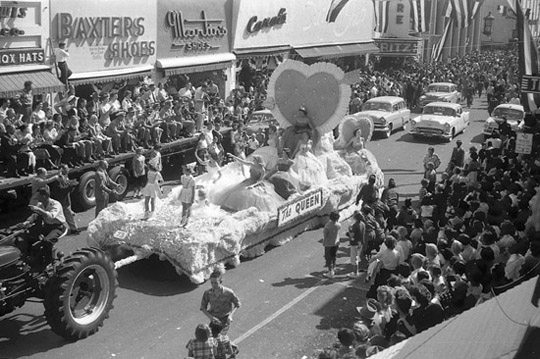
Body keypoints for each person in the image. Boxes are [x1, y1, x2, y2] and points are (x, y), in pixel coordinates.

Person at [16, 186, 67, 265]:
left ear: (44, 196)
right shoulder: (41, 204)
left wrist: (39, 210)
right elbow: (35, 215)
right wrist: (27, 222)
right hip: (46, 226)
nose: (36, 197)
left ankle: (48, 262)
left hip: (57, 228)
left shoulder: (56, 204)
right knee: (28, 235)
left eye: (38, 196)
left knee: (47, 241)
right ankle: (29, 256)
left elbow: (51, 216)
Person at [200, 268, 241, 353]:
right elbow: (203, 308)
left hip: (225, 318)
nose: (213, 285)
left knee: (220, 337)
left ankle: (232, 349)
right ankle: (230, 348)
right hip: (214, 320)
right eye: (212, 283)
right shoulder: (208, 293)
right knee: (211, 338)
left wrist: (231, 315)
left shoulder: (228, 292)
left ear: (221, 281)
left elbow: (237, 304)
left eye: (216, 283)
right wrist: (211, 318)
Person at [51, 164, 79, 235]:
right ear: (61, 170)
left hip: (66, 200)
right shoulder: (57, 179)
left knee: (67, 214)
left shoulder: (65, 176)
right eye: (66, 169)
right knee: (67, 215)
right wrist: (71, 186)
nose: (68, 170)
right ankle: (74, 229)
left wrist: (72, 183)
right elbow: (61, 190)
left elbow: (67, 184)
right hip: (61, 201)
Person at [323, 211, 341, 279]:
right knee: (334, 256)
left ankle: (330, 272)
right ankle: (334, 267)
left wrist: (324, 241)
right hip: (336, 243)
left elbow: (325, 235)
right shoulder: (338, 224)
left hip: (328, 244)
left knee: (328, 258)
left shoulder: (327, 225)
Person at [348, 210, 366, 278]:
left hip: (355, 243)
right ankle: (356, 271)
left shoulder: (355, 226)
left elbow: (352, 235)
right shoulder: (363, 224)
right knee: (357, 257)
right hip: (360, 243)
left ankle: (355, 273)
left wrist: (349, 229)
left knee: (354, 259)